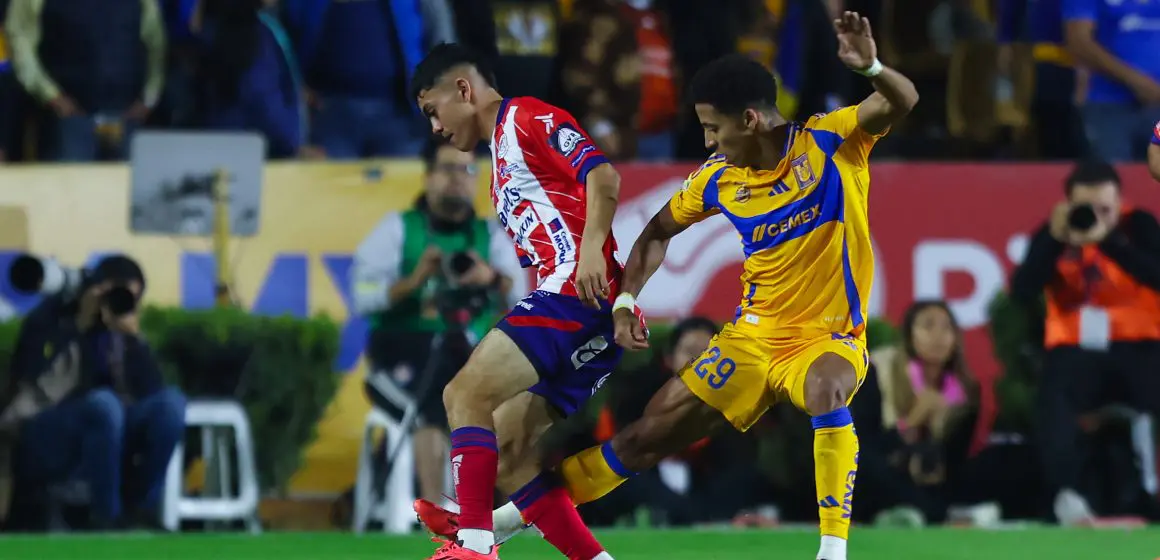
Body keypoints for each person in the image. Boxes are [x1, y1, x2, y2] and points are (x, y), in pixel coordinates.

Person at [418, 12, 918, 560]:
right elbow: (656, 233)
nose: (706, 142)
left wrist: (870, 65)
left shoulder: (832, 140)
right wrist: (628, 299)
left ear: (749, 119)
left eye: (712, 128)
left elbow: (901, 100)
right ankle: (498, 524)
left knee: (827, 388)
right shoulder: (718, 180)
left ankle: (831, 551)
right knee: (638, 439)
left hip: (826, 337)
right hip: (749, 340)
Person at [408, 43, 639, 560]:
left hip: (575, 294)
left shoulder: (528, 116)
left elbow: (604, 176)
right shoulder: (499, 170)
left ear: (463, 90)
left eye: (432, 111)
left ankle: (473, 542)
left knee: (463, 394)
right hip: (577, 312)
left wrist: (590, 257)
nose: (435, 128)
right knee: (510, 454)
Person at [352, 136, 525, 506]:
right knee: (435, 405)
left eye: (467, 171)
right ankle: (441, 518)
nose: (458, 179)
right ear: (427, 176)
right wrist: (412, 281)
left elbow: (522, 296)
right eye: (448, 169)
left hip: (464, 351)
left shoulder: (489, 235)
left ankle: (514, 510)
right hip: (400, 354)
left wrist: (491, 279)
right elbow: (362, 296)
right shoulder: (398, 229)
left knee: (517, 404)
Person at [1010, 160, 1160, 524]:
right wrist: (1053, 239)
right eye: (1087, 208)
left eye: (1105, 209)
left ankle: (1150, 494)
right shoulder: (1055, 233)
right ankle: (1069, 495)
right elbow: (1022, 290)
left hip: (1139, 348)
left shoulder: (1136, 226)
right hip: (1074, 352)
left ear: (1120, 202)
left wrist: (1107, 240)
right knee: (1054, 395)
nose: (1096, 215)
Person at [0, 255, 186, 529]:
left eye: (129, 299)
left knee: (172, 404)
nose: (119, 304)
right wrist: (80, 325)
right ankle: (106, 517)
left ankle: (140, 512)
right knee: (104, 404)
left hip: (110, 426)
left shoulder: (122, 332)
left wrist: (136, 339)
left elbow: (151, 390)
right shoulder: (51, 318)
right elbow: (32, 382)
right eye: (115, 294)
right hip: (44, 431)